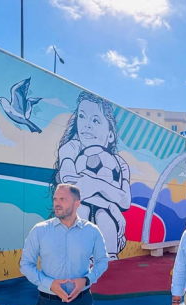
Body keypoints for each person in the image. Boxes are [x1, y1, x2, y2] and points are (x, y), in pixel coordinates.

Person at [51, 91, 131, 260]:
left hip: (107, 219)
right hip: (76, 216)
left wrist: (96, 185)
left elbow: (125, 200)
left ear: (110, 135)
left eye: (95, 120)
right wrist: (110, 204)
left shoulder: (120, 163)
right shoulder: (70, 149)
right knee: (83, 209)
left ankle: (110, 259)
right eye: (82, 116)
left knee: (103, 216)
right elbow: (72, 188)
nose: (87, 125)